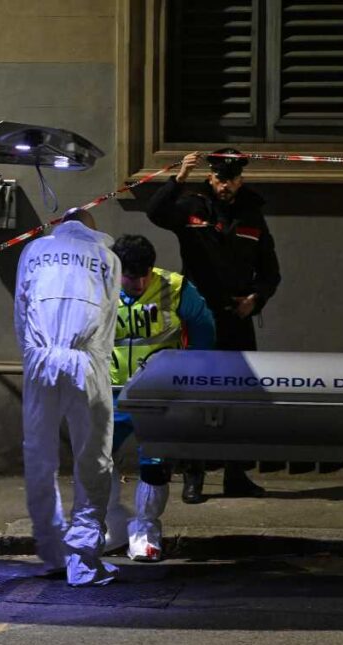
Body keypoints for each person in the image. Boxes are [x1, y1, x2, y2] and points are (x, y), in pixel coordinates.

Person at [146, 148, 281, 503]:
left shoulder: (252, 215)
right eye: (220, 179)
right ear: (210, 177)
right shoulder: (192, 208)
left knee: (238, 397)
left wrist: (256, 300)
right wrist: (178, 177)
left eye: (232, 179)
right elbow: (156, 213)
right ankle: (194, 477)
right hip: (200, 315)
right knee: (195, 397)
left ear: (241, 179)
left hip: (236, 317)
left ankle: (236, 475)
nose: (225, 185)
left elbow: (270, 272)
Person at [14, 208, 122, 586]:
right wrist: (97, 366)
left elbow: (21, 309)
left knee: (39, 455)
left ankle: (51, 551)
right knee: (93, 458)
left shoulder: (33, 251)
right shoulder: (107, 257)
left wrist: (32, 357)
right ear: (93, 230)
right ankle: (84, 559)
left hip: (40, 359)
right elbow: (108, 319)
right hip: (85, 362)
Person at [104, 234, 216, 561]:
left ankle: (145, 530)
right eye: (130, 275)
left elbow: (203, 329)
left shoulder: (175, 287)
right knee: (95, 462)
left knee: (153, 466)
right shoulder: (96, 287)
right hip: (107, 390)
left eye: (144, 273)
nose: (138, 282)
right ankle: (107, 523)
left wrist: (190, 372)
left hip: (157, 394)